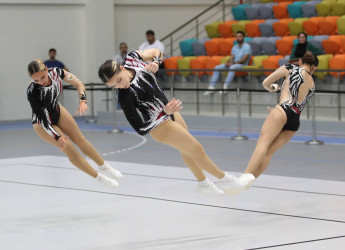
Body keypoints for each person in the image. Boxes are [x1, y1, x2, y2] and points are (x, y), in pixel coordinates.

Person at [98, 49, 244, 195]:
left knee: (187, 149)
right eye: (113, 86)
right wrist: (164, 113)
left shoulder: (132, 58)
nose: (119, 86)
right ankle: (225, 179)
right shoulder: (124, 97)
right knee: (197, 149)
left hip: (171, 111)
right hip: (160, 126)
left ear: (122, 68)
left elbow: (157, 52)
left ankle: (203, 183)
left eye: (118, 80)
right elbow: (141, 129)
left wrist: (156, 62)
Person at [230, 52, 319, 194]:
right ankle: (249, 181)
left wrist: (273, 89)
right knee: (268, 153)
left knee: (263, 143)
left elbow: (266, 83)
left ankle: (242, 180)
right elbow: (297, 99)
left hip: (282, 110)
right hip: (294, 121)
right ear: (314, 68)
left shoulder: (290, 68)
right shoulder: (313, 84)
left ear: (300, 61)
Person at [27, 59, 122, 189]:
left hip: (56, 110)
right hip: (43, 124)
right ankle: (100, 177)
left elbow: (78, 83)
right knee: (70, 149)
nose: (41, 82)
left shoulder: (57, 72)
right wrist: (58, 137)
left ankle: (105, 167)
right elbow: (43, 119)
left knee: (80, 138)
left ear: (46, 69)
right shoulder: (32, 91)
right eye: (36, 80)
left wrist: (82, 100)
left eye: (42, 77)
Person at [204, 31, 252, 95]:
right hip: (234, 63)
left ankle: (225, 87)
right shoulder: (235, 47)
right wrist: (228, 62)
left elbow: (243, 60)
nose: (238, 38)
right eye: (237, 37)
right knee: (217, 67)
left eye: (240, 36)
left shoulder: (247, 46)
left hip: (242, 65)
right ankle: (212, 86)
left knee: (232, 67)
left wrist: (233, 63)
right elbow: (232, 57)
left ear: (243, 37)